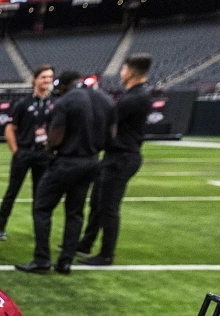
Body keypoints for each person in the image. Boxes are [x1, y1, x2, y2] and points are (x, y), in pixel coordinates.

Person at [15, 70, 113, 274]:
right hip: (91, 162)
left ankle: (42, 260)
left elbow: (56, 137)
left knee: (42, 207)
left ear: (65, 84)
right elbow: (111, 136)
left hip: (66, 162)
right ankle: (65, 261)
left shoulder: (66, 102)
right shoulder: (105, 100)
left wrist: (49, 149)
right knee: (75, 213)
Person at [75, 54, 153, 266]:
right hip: (116, 156)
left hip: (121, 157)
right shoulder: (136, 95)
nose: (121, 73)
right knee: (97, 202)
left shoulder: (134, 98)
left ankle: (106, 254)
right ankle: (86, 243)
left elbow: (110, 122)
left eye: (123, 69)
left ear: (130, 72)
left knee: (108, 207)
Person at [0, 65, 54, 241]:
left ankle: (39, 230)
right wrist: (16, 152)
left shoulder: (53, 104)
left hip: (43, 154)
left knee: (41, 194)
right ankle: (1, 227)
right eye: (43, 77)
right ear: (35, 79)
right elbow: (10, 128)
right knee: (12, 191)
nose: (47, 81)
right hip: (25, 152)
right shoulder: (23, 103)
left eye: (50, 77)